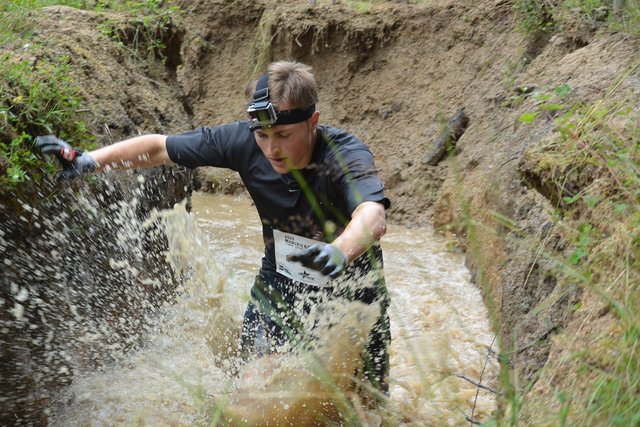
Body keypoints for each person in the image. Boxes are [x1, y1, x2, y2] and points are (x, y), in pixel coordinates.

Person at [37, 60, 391, 393]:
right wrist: (90, 159)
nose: (271, 148)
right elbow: (159, 148)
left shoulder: (344, 153)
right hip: (281, 280)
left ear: (313, 122)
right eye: (262, 135)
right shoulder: (242, 142)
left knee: (364, 400)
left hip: (353, 286)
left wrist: (340, 250)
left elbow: (372, 213)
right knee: (253, 386)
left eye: (283, 134)